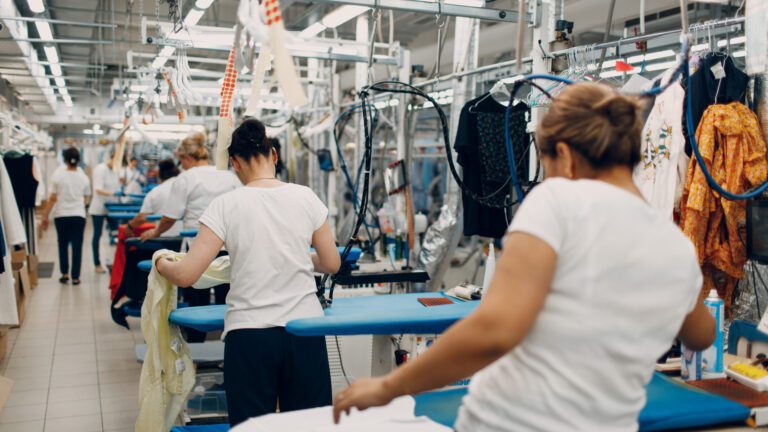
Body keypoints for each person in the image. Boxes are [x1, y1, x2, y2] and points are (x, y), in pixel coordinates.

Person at [332, 82, 717, 431]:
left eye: (546, 165)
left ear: (564, 156)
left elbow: (495, 331)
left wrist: (390, 386)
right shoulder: (673, 243)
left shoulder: (559, 200)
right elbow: (702, 335)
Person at [156, 118, 340, 426]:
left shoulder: (225, 205)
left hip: (250, 336)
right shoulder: (306, 196)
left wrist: (162, 262)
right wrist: (291, 254)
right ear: (274, 156)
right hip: (305, 331)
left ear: (234, 163)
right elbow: (331, 263)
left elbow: (187, 275)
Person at [140, 132, 242, 342]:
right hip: (228, 247)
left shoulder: (187, 177)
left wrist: (155, 232)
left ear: (187, 158)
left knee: (198, 303)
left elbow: (170, 218)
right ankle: (229, 349)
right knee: (229, 301)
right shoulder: (230, 176)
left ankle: (195, 348)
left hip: (198, 248)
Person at [40, 147, 91, 285]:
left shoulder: (58, 176)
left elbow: (52, 198)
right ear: (78, 160)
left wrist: (45, 216)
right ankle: (75, 277)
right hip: (78, 216)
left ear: (65, 160)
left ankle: (64, 274)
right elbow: (86, 200)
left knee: (62, 245)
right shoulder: (83, 177)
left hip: (61, 215)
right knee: (77, 246)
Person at [124, 158, 182, 238]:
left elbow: (142, 217)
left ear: (159, 175)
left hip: (164, 238)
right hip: (188, 238)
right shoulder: (186, 187)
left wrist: (129, 227)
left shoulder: (156, 192)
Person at [89, 152, 120, 274]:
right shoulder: (100, 169)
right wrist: (113, 194)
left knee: (116, 234)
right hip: (98, 208)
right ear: (112, 158)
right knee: (97, 235)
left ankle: (117, 263)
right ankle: (97, 264)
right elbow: (98, 189)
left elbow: (116, 186)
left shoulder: (114, 171)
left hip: (111, 208)